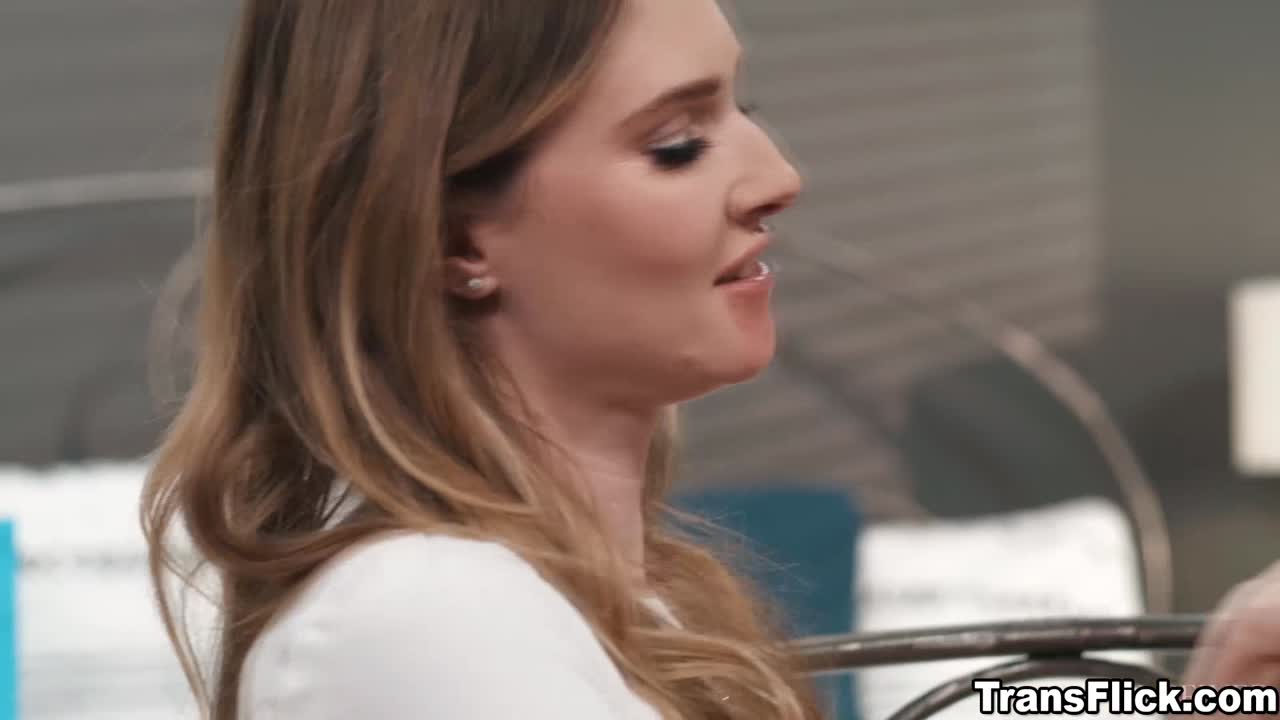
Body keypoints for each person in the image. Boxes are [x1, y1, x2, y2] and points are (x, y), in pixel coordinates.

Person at [140, 1, 820, 718]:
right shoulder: (427, 617)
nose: (779, 177)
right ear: (452, 238)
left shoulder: (626, 605)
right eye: (677, 145)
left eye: (742, 108)